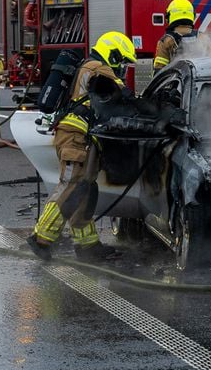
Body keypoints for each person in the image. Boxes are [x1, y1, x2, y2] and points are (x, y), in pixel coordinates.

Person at [25, 31, 136, 263]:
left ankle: (87, 246)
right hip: (75, 137)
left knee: (84, 189)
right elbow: (122, 96)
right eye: (121, 61)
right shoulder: (98, 68)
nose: (122, 67)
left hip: (81, 137)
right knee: (72, 186)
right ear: (112, 54)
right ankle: (41, 238)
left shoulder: (88, 66)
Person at [153, 0, 197, 71]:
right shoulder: (203, 38)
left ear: (169, 17)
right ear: (193, 16)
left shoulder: (166, 41)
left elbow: (159, 72)